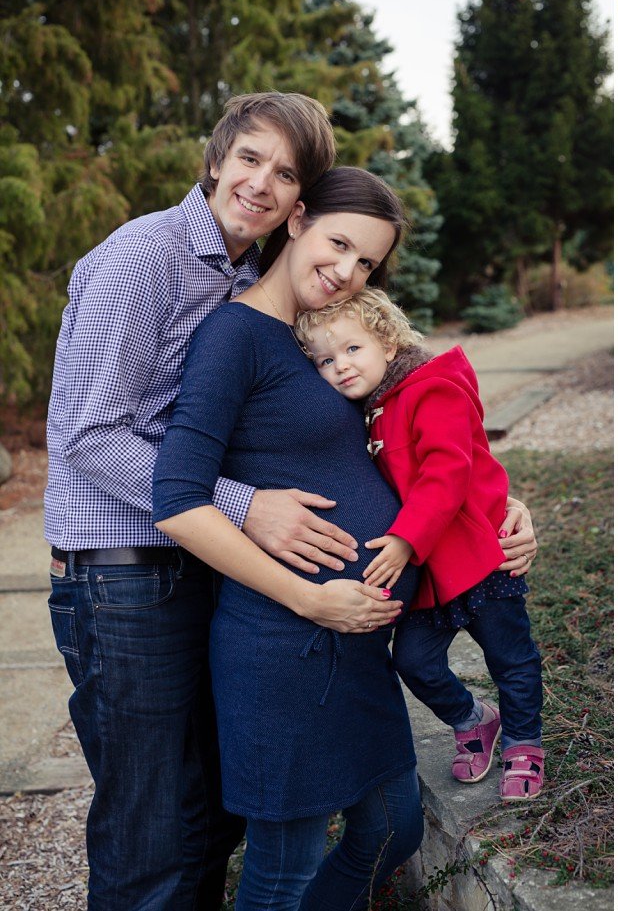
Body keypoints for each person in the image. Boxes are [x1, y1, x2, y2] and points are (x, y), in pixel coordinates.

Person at [45, 92, 367, 911]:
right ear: (216, 158)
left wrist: (482, 489)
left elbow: (363, 364)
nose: (261, 182)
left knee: (210, 819)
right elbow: (91, 432)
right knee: (149, 830)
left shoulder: (253, 278)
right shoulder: (142, 256)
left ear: (302, 204)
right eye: (251, 158)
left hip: (202, 569)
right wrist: (241, 503)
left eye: (286, 173)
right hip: (120, 579)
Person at [151, 167, 420, 909]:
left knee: (396, 826)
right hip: (282, 646)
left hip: (354, 644)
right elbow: (175, 500)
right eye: (339, 243)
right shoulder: (234, 334)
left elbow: (403, 442)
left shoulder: (319, 339)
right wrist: (311, 599)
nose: (348, 271)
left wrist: (496, 503)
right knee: (284, 866)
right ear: (296, 220)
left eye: (367, 261)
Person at [296, 288, 549, 801]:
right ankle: (473, 719)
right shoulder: (369, 410)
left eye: (351, 350)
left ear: (387, 344)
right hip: (431, 575)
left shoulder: (431, 390)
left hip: (479, 558)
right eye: (324, 360)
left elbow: (448, 471)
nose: (340, 367)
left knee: (510, 657)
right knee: (414, 659)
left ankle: (524, 742)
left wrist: (405, 540)